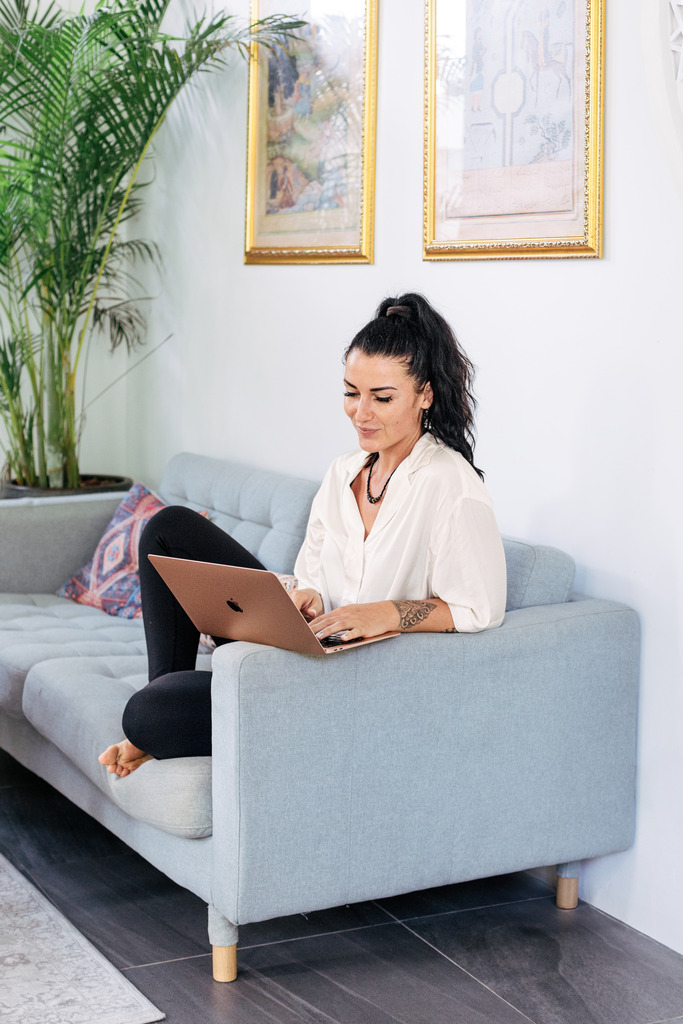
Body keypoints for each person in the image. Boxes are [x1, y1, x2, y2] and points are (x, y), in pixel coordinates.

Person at [99, 293, 506, 778]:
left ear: (425, 395)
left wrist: (384, 614)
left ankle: (160, 724)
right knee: (168, 529)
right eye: (351, 392)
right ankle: (168, 701)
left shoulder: (451, 485)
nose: (362, 413)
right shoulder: (343, 473)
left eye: (382, 397)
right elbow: (313, 577)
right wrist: (304, 597)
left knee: (146, 715)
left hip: (350, 681)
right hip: (304, 647)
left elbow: (478, 609)